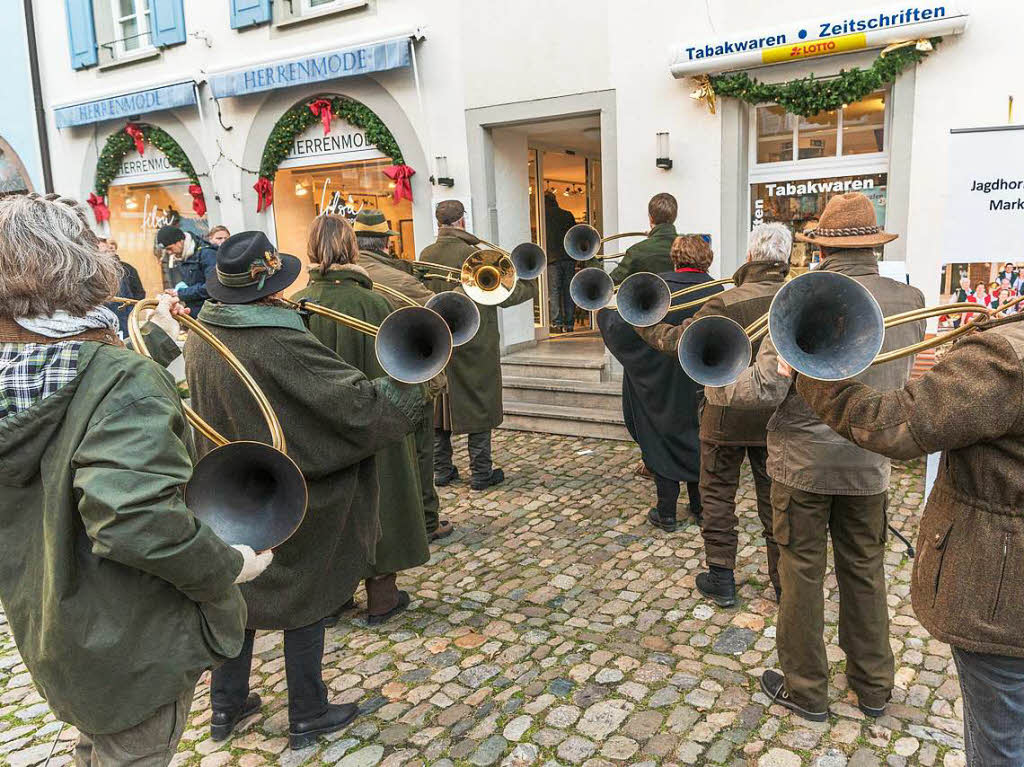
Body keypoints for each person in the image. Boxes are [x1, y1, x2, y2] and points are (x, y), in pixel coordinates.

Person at [0, 193, 268, 767]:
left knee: (94, 748)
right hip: (131, 641)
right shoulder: (119, 377)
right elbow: (134, 518)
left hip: (55, 626)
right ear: (78, 264)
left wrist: (159, 343)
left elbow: (72, 415)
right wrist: (228, 564)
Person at [185, 231, 427, 750]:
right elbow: (356, 407)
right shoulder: (276, 338)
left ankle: (227, 706)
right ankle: (309, 713)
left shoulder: (202, 331)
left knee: (238, 590)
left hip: (233, 491)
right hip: (294, 490)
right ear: (267, 286)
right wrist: (410, 378)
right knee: (307, 595)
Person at [703, 193, 925, 722]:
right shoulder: (912, 299)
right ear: (874, 244)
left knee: (801, 572)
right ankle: (873, 686)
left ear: (822, 245)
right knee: (866, 570)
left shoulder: (803, 297)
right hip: (869, 463)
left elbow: (762, 390)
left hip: (802, 464)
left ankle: (807, 689)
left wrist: (714, 387)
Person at [792, 311, 1024, 766]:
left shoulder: (1005, 356)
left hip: (1001, 591)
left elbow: (892, 424)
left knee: (1001, 742)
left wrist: (810, 374)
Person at [636, 223, 791, 604]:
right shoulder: (797, 299)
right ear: (785, 259)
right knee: (776, 502)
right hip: (778, 417)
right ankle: (782, 583)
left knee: (718, 495)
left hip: (725, 412)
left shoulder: (727, 301)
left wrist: (642, 320)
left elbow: (678, 341)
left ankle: (721, 577)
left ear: (751, 256)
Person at [292, 215, 431, 623]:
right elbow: (402, 372)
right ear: (352, 249)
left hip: (320, 427)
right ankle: (382, 599)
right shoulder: (376, 303)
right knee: (383, 502)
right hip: (376, 421)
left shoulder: (296, 303)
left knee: (331, 507)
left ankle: (333, 599)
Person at [599, 234, 722, 531]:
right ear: (707, 259)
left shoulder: (657, 288)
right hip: (698, 377)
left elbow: (617, 323)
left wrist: (604, 315)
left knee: (660, 437)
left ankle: (666, 512)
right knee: (698, 437)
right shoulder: (717, 291)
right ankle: (700, 508)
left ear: (675, 258)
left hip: (656, 378)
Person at [421, 199, 537, 490]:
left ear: (439, 222)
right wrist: (531, 281)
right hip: (475, 342)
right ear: (462, 221)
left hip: (439, 341)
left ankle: (442, 470)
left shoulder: (425, 254)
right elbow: (506, 294)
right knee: (480, 404)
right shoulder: (473, 255)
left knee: (440, 406)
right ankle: (481, 473)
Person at [357, 228, 453, 541]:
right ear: (385, 244)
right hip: (408, 374)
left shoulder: (332, 284)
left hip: (362, 379)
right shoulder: (398, 279)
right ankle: (426, 521)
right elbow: (441, 319)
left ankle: (384, 523)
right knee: (420, 453)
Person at [609, 192, 679, 284]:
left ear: (650, 218)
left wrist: (591, 258)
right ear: (675, 216)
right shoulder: (690, 248)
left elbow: (611, 283)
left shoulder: (636, 251)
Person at [157, 224, 218, 316]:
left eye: (169, 248)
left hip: (211, 314)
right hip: (196, 312)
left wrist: (180, 294)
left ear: (180, 241)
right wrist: (177, 291)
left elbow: (212, 287)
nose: (169, 253)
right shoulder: (183, 256)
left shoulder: (207, 254)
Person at [544, 190, 578, 333]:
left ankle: (557, 323)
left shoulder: (543, 216)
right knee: (568, 291)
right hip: (569, 257)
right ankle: (569, 323)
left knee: (554, 291)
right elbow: (575, 234)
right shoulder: (567, 215)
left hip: (552, 258)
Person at [99, 238, 146, 334]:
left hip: (124, 322)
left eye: (107, 250)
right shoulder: (92, 273)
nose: (108, 253)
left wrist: (130, 312)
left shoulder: (125, 270)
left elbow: (138, 294)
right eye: (104, 252)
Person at [354, 209, 413, 274]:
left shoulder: (346, 269)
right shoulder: (401, 272)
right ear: (386, 243)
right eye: (389, 240)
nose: (390, 244)